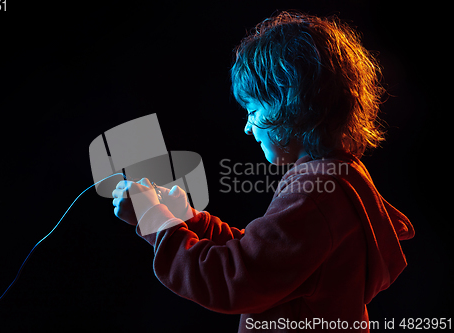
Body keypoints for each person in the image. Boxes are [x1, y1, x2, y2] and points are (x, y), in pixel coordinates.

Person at [112, 11, 414, 332]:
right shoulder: (342, 177)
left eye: (254, 110)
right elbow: (265, 259)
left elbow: (234, 281)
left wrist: (154, 220)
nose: (247, 128)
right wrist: (190, 220)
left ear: (292, 103)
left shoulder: (315, 192)